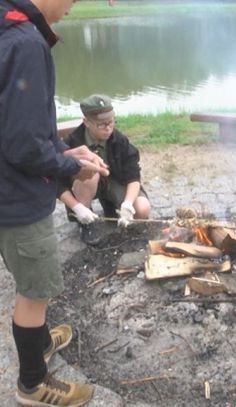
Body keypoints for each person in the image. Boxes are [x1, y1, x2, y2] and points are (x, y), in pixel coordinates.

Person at [0, 0, 111, 405]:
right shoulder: (24, 42)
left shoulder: (6, 26)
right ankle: (33, 383)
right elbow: (24, 147)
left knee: (30, 281)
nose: (71, 7)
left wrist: (68, 151)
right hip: (16, 195)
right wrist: (71, 167)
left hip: (5, 188)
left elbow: (19, 125)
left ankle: (41, 340)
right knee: (35, 290)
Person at [58, 94, 151, 244]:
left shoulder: (119, 140)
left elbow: (133, 175)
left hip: (114, 182)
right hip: (85, 185)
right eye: (101, 124)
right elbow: (58, 183)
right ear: (86, 122)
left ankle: (112, 207)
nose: (108, 128)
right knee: (90, 170)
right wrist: (77, 208)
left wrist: (127, 204)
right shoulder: (72, 142)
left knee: (142, 209)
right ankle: (85, 222)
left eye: (111, 122)